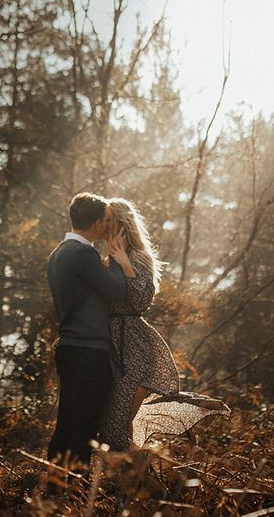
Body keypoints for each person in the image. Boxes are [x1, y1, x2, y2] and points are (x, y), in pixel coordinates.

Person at [99, 197, 229, 451]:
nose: (104, 226)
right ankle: (139, 486)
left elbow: (139, 302)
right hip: (110, 345)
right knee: (117, 428)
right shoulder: (104, 257)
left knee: (116, 427)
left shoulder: (137, 258)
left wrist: (125, 264)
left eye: (109, 221)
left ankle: (135, 483)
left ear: (122, 225)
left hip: (134, 349)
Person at [46, 192, 136, 467]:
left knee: (67, 422)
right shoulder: (83, 253)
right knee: (85, 427)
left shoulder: (58, 253)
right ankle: (72, 491)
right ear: (97, 223)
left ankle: (53, 485)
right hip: (88, 351)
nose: (109, 227)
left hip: (69, 347)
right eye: (106, 222)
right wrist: (118, 261)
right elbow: (117, 291)